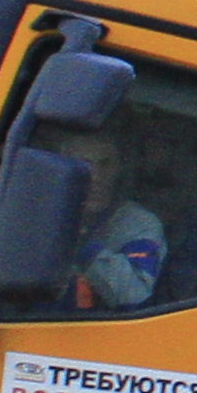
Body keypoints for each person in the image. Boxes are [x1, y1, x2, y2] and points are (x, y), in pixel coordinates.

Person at [64, 128, 170, 313]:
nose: (96, 176)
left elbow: (134, 295)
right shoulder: (35, 211)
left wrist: (84, 245)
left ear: (118, 168)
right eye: (84, 165)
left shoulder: (138, 223)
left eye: (105, 165)